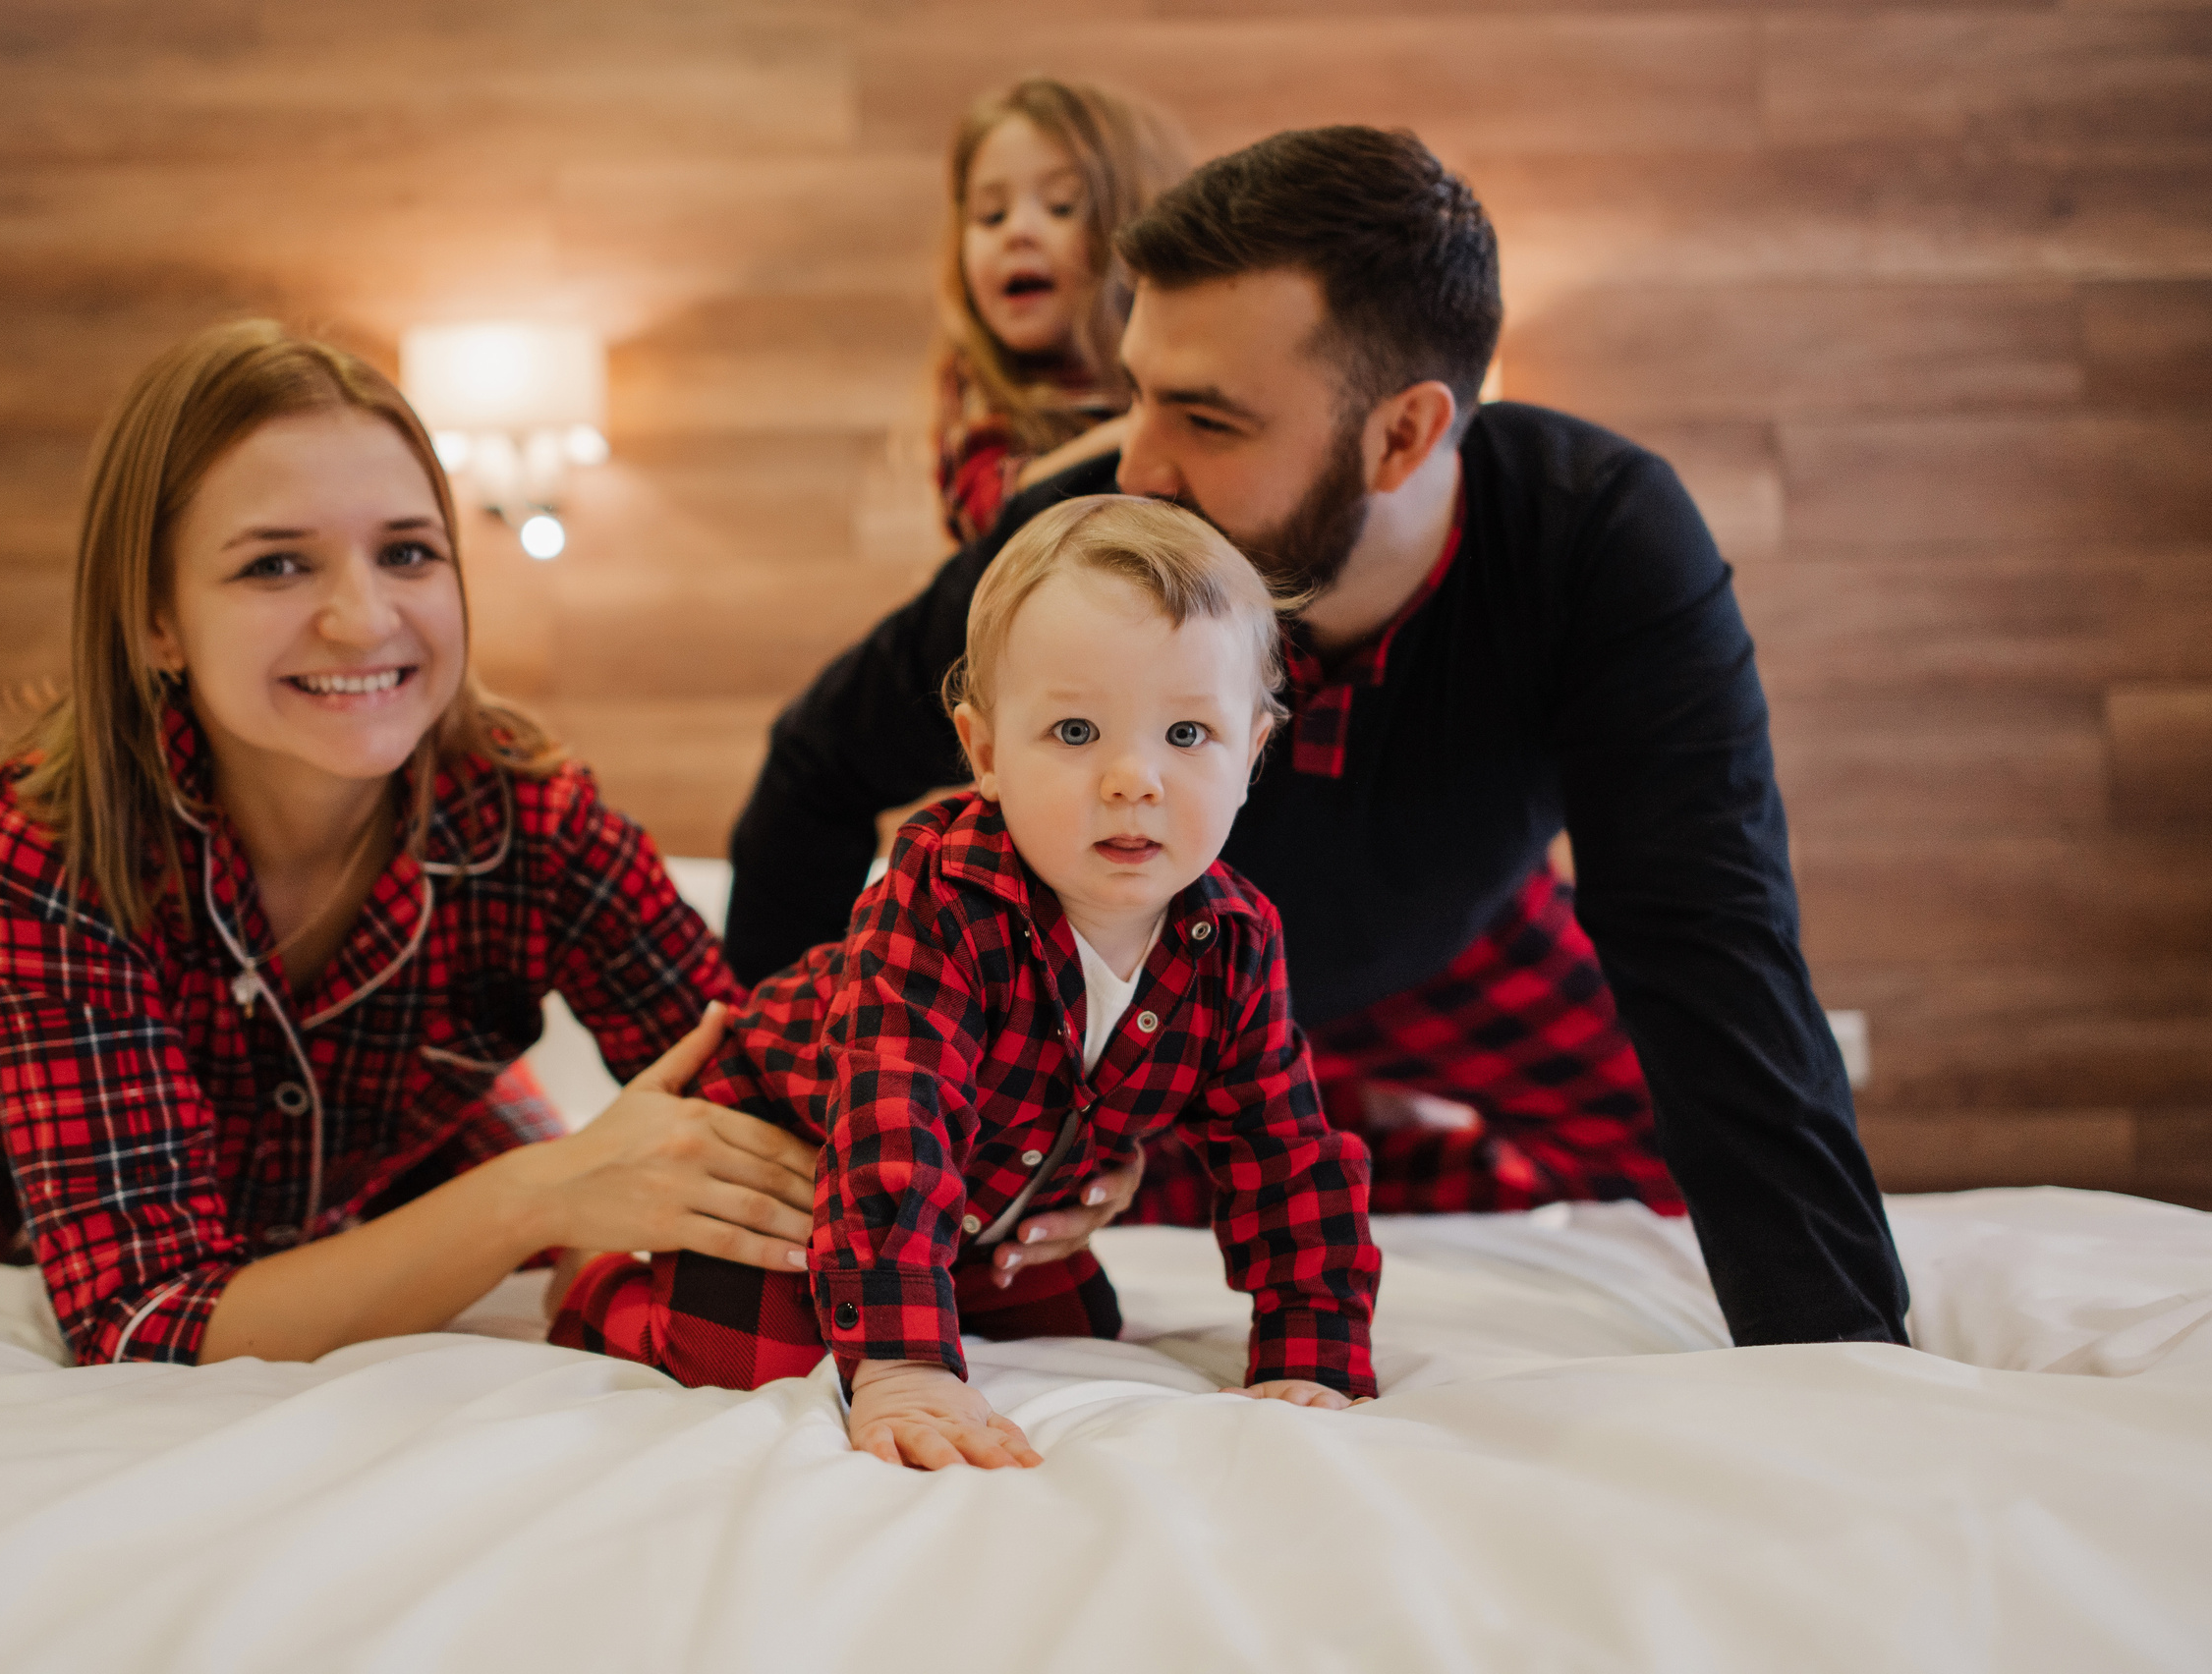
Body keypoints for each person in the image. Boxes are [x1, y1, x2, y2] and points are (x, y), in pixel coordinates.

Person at [726, 129, 1912, 1349]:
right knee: (1085, 1175)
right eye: (1140, 391)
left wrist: (1847, 1364)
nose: (1136, 466)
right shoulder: (1083, 543)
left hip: (1460, 928)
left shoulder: (1599, 541)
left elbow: (1715, 952)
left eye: (1206, 417)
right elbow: (818, 767)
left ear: (1402, 435)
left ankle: (1348, 1148)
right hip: (1162, 976)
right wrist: (764, 1120)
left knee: (1647, 1157)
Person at [0, 321, 835, 1367]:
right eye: (275, 566)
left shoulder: (529, 817)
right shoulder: (64, 840)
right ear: (157, 619)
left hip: (370, 1156)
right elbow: (142, 1317)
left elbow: (757, 1098)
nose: (362, 619)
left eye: (407, 552)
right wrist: (542, 1196)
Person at [555, 497, 1381, 1469]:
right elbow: (892, 1121)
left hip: (981, 1208)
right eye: (1074, 732)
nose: (1132, 779)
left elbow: (1280, 1150)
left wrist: (1311, 1352)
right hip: (789, 1162)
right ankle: (597, 1280)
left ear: (1251, 755)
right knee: (753, 1359)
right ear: (985, 753)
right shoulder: (944, 896)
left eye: (1187, 736)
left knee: (1077, 1325)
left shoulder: (1235, 942)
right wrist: (903, 1365)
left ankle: (923, 1293)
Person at [932, 77, 1187, 546]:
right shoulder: (980, 389)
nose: (1018, 232)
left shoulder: (1186, 368)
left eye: (1061, 207)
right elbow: (991, 516)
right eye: (992, 215)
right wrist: (1140, 434)